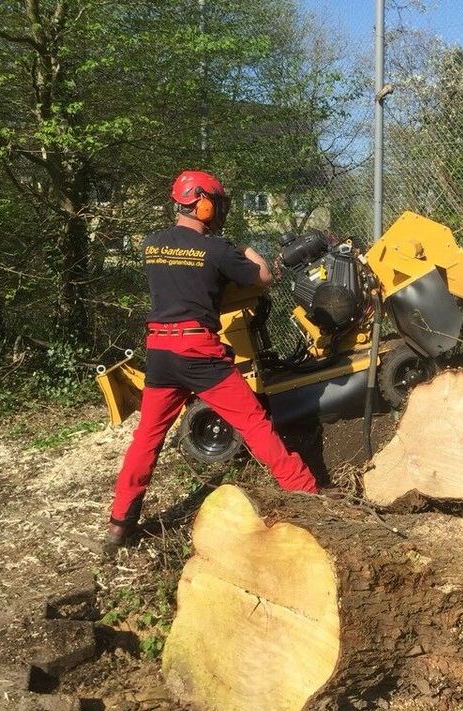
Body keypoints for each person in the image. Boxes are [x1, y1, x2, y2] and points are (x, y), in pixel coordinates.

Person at [106, 170, 317, 550]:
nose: (217, 211)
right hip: (198, 351)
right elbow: (264, 277)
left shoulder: (151, 245)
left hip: (159, 352)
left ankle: (119, 524)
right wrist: (244, 249)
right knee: (254, 422)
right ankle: (306, 493)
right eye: (215, 204)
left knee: (147, 439)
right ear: (203, 203)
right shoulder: (218, 250)